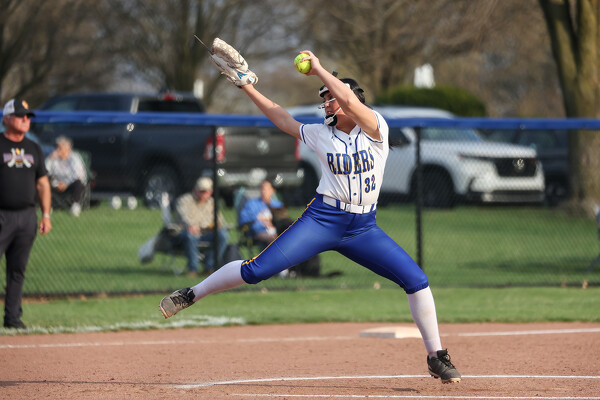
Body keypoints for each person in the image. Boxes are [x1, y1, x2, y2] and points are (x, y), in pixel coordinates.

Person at [160, 43, 461, 383]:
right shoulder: (321, 134)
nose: (327, 104)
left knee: (416, 281)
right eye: (324, 99)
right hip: (323, 220)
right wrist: (247, 87)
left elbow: (349, 102)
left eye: (331, 98)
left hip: (363, 227)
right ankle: (192, 293)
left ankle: (436, 356)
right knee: (256, 271)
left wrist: (319, 69)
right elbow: (282, 118)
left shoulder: (376, 128)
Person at [0, 98, 52, 329]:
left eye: (28, 116)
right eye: (20, 115)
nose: (25, 120)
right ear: (6, 118)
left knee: (18, 270)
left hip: (26, 217)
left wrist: (46, 214)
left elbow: (42, 183)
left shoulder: (34, 148)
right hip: (2, 215)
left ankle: (12, 318)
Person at [173, 177, 229, 277]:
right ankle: (193, 269)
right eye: (201, 191)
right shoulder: (185, 200)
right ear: (195, 189)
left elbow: (219, 220)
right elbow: (184, 217)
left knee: (223, 235)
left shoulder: (212, 203)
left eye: (205, 191)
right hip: (185, 232)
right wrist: (192, 225)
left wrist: (214, 225)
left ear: (210, 192)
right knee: (191, 236)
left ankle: (209, 267)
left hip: (206, 233)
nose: (203, 194)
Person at [45, 136, 88, 217]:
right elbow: (45, 171)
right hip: (56, 183)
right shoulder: (53, 158)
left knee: (78, 182)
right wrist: (50, 158)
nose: (57, 150)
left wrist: (66, 184)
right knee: (45, 180)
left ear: (68, 149)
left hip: (71, 183)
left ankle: (75, 206)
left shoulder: (74, 158)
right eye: (57, 147)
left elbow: (78, 174)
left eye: (60, 148)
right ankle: (47, 206)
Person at [238, 179, 284, 250]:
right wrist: (259, 220)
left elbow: (283, 221)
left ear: (273, 190)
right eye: (262, 188)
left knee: (286, 238)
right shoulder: (252, 204)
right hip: (258, 232)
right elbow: (243, 219)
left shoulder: (278, 205)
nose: (263, 191)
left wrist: (272, 224)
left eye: (266, 189)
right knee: (274, 239)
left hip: (276, 231)